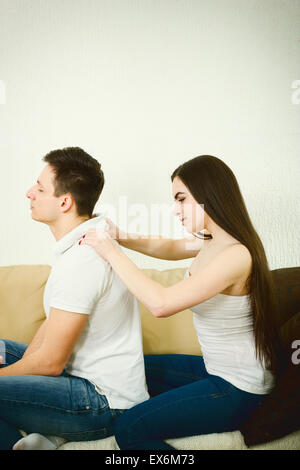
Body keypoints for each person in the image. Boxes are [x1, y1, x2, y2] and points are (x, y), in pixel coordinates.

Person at [82, 154, 282, 450]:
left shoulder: (236, 256)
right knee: (125, 371)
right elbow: (170, 245)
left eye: (181, 199)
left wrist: (110, 251)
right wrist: (120, 235)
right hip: (214, 370)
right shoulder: (212, 242)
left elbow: (161, 304)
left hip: (239, 389)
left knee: (130, 428)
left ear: (208, 194)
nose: (175, 210)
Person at [0, 147, 149, 450]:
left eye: (40, 188)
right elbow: (51, 331)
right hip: (75, 377)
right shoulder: (87, 236)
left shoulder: (83, 259)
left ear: (65, 202)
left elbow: (51, 362)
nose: (29, 193)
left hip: (101, 403)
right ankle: (40, 436)